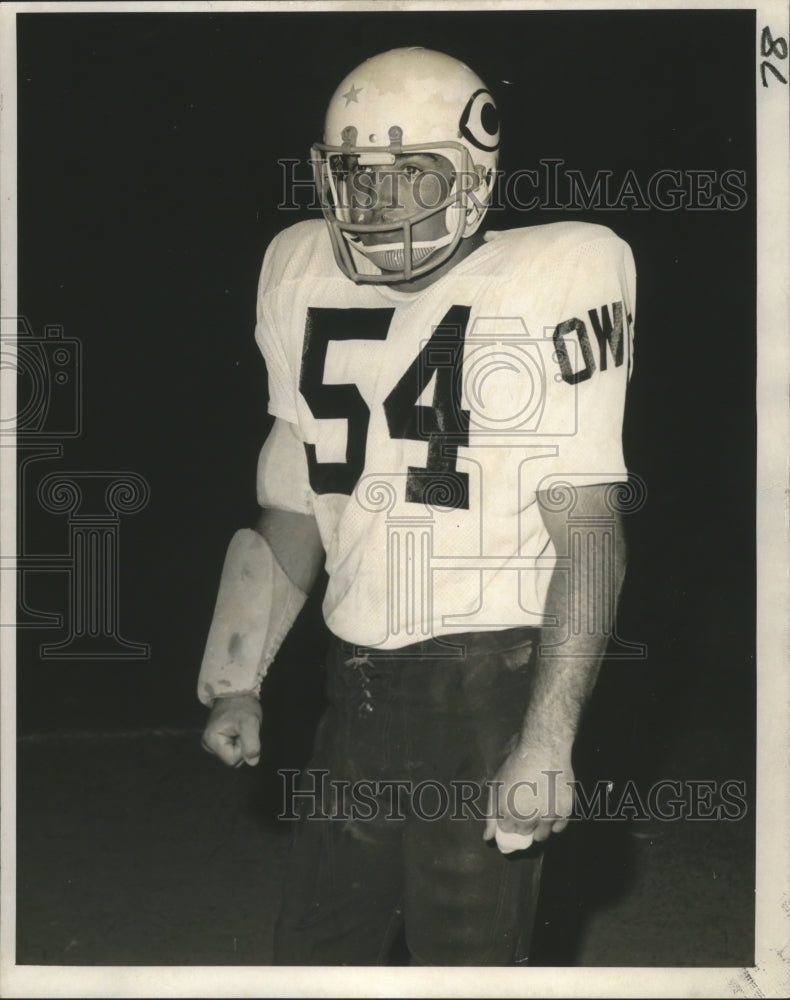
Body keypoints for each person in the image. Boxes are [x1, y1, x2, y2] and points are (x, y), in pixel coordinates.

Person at [198, 46, 636, 966]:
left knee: (467, 967)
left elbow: (589, 532)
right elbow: (294, 492)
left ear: (474, 173)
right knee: (314, 960)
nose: (376, 209)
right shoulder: (297, 269)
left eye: (410, 179)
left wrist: (548, 738)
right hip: (353, 681)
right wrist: (237, 673)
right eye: (357, 182)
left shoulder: (559, 270)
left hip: (485, 682)